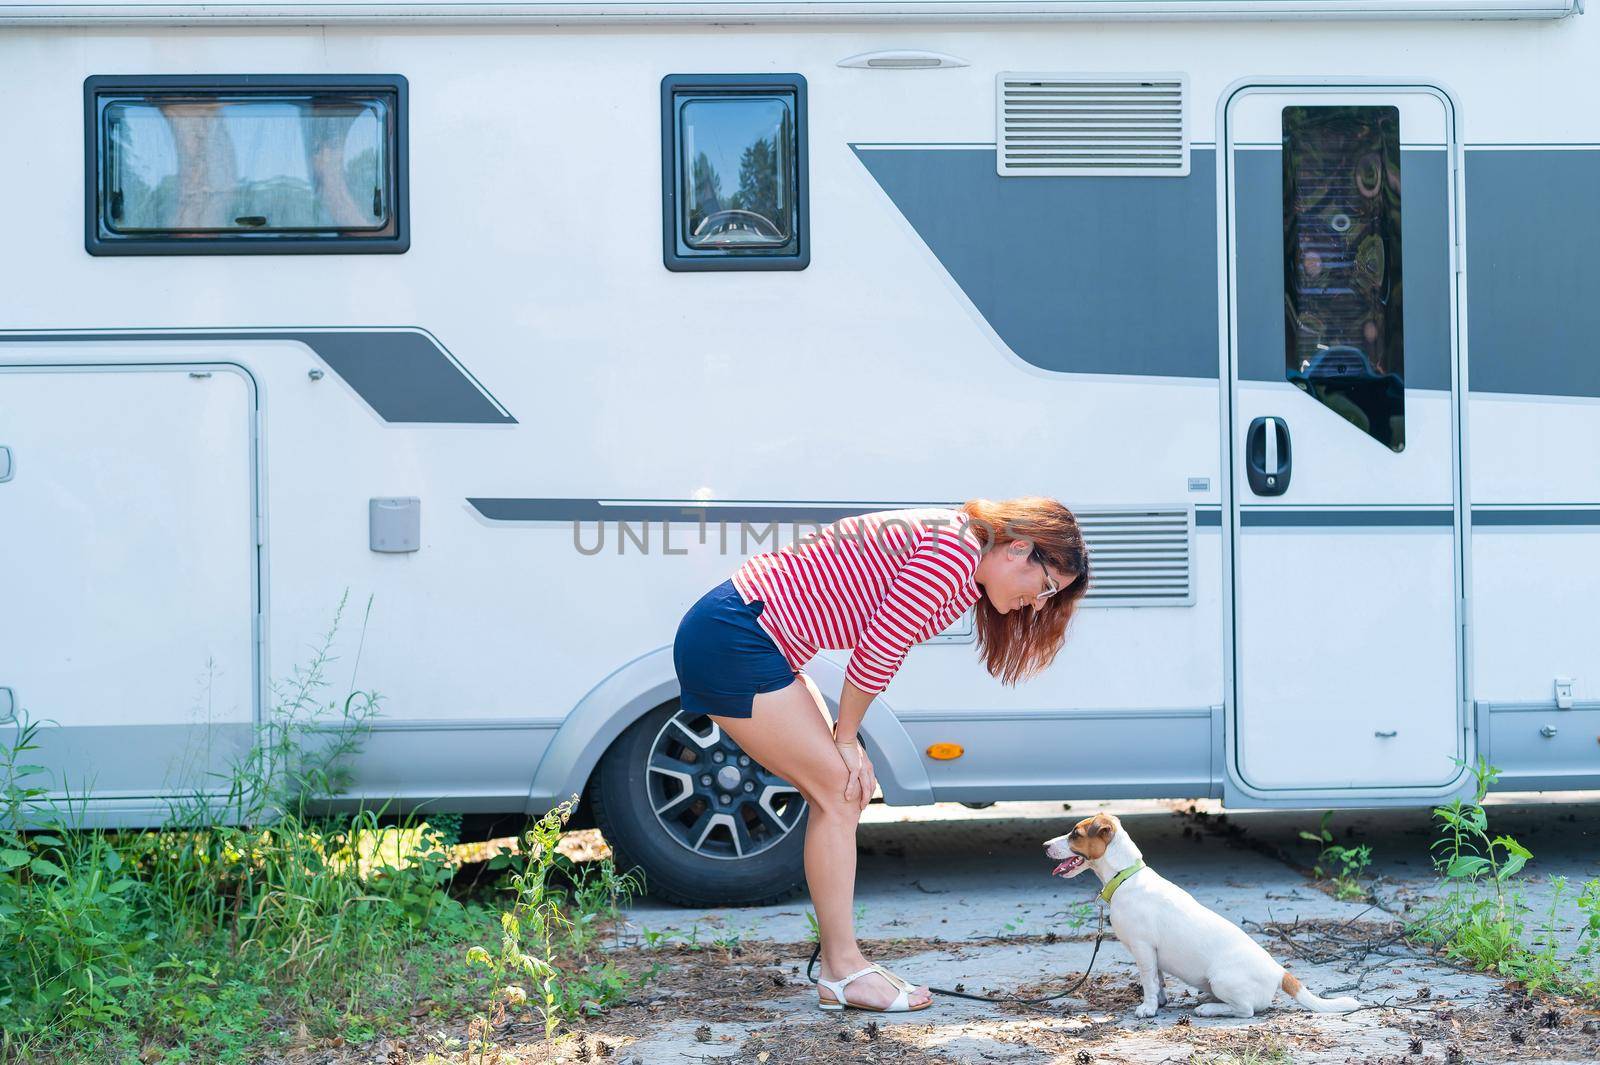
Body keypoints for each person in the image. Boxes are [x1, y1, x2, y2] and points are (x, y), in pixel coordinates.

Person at [672, 497, 1090, 1012]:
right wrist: (847, 740)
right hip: (735, 637)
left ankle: (840, 967)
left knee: (843, 793)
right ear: (1019, 548)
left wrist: (849, 741)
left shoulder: (963, 568)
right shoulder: (954, 551)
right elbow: (877, 652)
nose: (1041, 603)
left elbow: (874, 642)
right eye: (1046, 586)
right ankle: (842, 971)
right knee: (839, 792)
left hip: (754, 639)